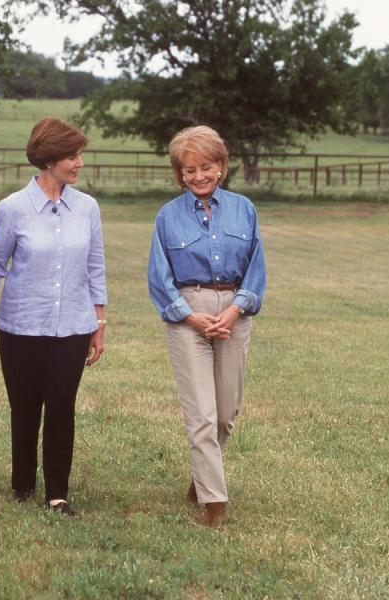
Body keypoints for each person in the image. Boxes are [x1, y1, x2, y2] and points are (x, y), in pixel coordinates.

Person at [147, 125, 266, 528]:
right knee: (200, 411)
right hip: (188, 315)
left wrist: (234, 311)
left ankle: (200, 478)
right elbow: (158, 277)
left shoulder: (244, 209)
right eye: (188, 170)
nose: (197, 176)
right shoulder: (167, 217)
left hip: (235, 312)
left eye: (205, 168)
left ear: (221, 167)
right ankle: (215, 501)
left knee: (225, 413)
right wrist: (190, 315)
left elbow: (256, 269)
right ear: (179, 173)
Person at [0, 117, 107, 517]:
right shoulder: (13, 209)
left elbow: (95, 267)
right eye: (72, 156)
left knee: (62, 406)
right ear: (50, 158)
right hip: (21, 326)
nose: (79, 164)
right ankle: (22, 482)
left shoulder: (88, 208)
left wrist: (99, 324)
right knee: (24, 408)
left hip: (73, 326)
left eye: (79, 155)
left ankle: (57, 492)